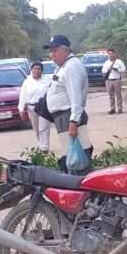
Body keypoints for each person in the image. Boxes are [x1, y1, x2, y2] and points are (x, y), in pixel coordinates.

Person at [43, 35, 93, 173]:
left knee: (78, 157)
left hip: (68, 116)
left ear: (65, 50)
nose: (51, 54)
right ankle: (79, 183)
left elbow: (76, 97)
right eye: (50, 51)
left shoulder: (71, 67)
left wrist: (73, 122)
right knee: (72, 155)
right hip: (63, 117)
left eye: (54, 50)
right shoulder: (64, 66)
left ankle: (83, 186)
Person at [18, 61, 51, 153]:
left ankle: (44, 147)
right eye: (35, 69)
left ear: (42, 71)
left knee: (44, 127)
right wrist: (21, 109)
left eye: (39, 69)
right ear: (31, 70)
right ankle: (40, 144)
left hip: (44, 107)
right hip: (32, 108)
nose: (37, 71)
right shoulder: (27, 82)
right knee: (36, 128)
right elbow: (23, 96)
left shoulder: (47, 80)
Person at [102, 48, 126, 115]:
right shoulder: (106, 62)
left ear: (114, 54)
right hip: (109, 80)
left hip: (116, 79)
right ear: (108, 54)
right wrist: (108, 69)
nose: (110, 55)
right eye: (109, 54)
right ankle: (112, 109)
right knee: (111, 95)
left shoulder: (119, 61)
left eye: (112, 53)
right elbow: (103, 71)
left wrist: (117, 69)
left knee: (118, 95)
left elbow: (123, 69)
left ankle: (120, 108)